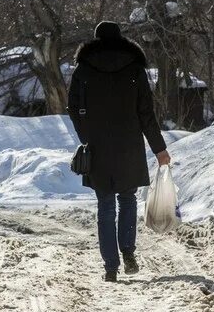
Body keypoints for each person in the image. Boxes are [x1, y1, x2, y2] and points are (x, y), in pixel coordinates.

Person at [68, 21, 171, 282]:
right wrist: (160, 150)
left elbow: (73, 107)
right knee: (127, 199)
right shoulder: (135, 67)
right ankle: (128, 252)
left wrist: (86, 135)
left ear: (96, 38)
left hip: (98, 145)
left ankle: (110, 267)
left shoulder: (83, 69)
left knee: (105, 204)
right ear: (120, 37)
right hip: (129, 144)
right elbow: (146, 114)